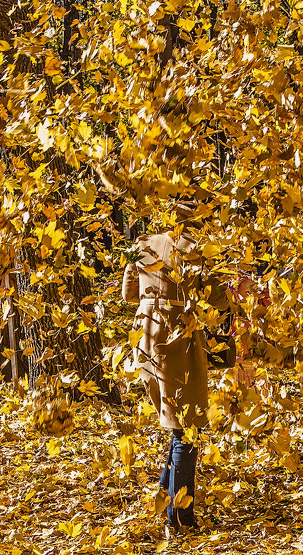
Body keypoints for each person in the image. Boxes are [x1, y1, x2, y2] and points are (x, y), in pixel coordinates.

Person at [123, 228, 228, 533]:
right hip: (176, 337)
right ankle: (180, 518)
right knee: (187, 428)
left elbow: (128, 294)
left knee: (175, 424)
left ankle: (166, 500)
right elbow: (218, 300)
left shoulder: (143, 241)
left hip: (144, 335)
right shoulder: (197, 243)